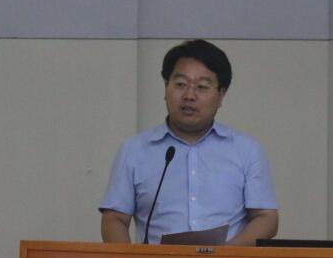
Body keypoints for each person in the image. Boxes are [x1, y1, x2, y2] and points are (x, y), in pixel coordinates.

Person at [100, 39, 278, 245]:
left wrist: (224, 256)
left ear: (221, 95)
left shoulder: (246, 151)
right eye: (180, 84)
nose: (189, 96)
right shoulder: (134, 150)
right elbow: (114, 219)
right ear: (166, 87)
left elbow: (266, 218)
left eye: (202, 87)